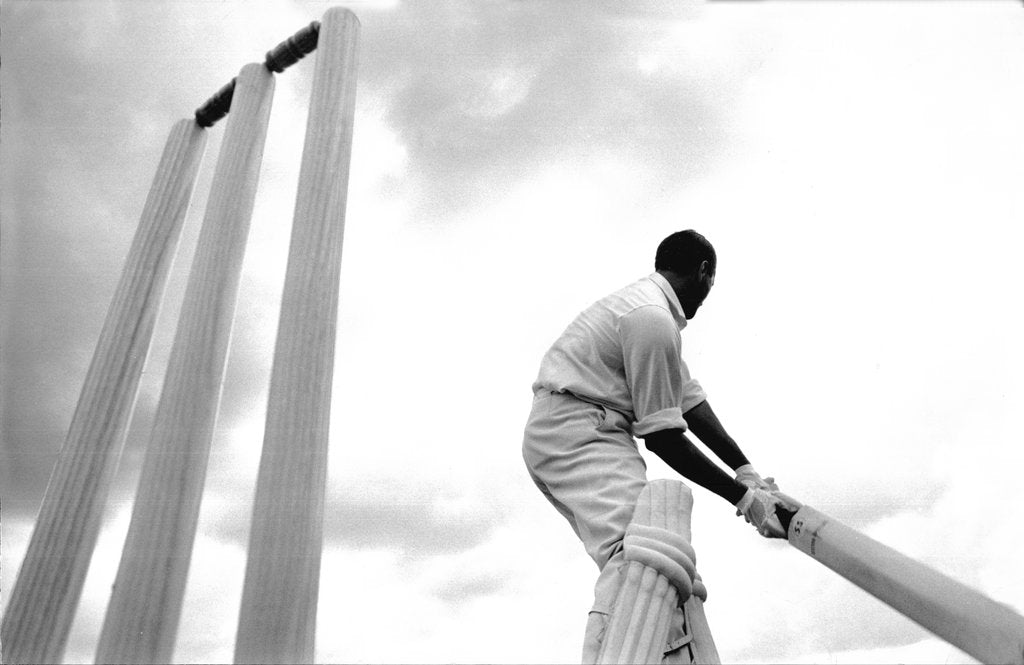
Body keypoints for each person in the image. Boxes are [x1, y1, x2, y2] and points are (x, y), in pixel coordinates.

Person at [521, 229, 785, 662]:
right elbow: (663, 437)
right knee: (640, 558)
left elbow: (689, 402)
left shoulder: (648, 311)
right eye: (712, 282)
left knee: (655, 562)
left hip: (578, 428)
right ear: (704, 271)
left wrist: (746, 471)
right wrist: (743, 499)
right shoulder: (651, 318)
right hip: (578, 431)